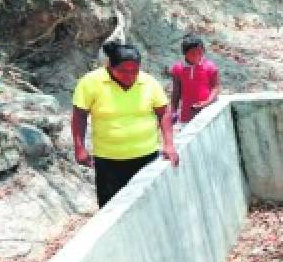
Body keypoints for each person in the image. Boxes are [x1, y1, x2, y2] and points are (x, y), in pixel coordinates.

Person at [72, 40, 180, 208]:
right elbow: (79, 116)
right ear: (109, 66)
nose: (129, 76)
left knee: (150, 205)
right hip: (109, 160)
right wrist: (79, 147)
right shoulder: (90, 83)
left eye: (134, 71)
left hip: (147, 156)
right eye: (123, 71)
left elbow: (163, 112)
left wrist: (169, 144)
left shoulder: (148, 83)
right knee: (112, 207)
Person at [169, 33, 220, 125]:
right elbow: (176, 92)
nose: (197, 56)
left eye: (200, 53)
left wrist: (206, 103)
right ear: (185, 54)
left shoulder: (210, 67)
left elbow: (215, 88)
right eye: (193, 53)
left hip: (208, 113)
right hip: (187, 115)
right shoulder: (178, 68)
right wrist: (173, 111)